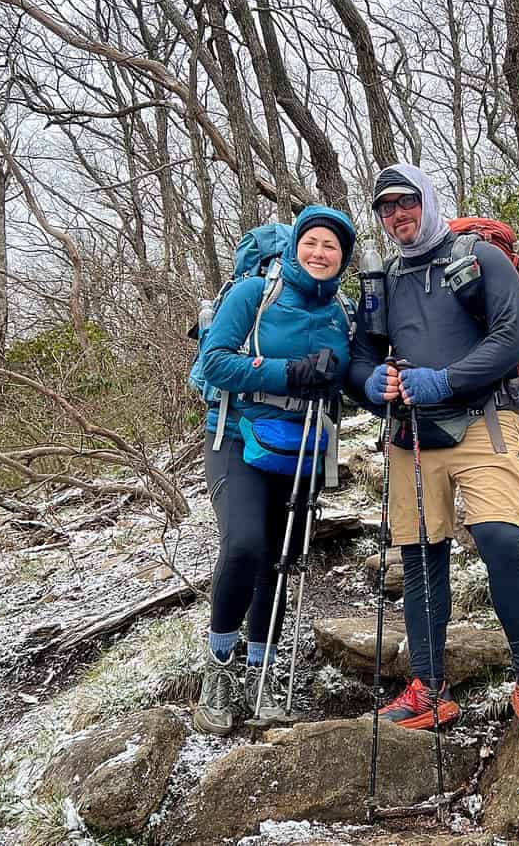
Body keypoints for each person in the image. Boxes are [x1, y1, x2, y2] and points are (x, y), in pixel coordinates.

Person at [347, 164, 519, 760]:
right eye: (386, 208)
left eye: (406, 202)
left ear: (428, 199)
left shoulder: (477, 258)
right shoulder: (384, 280)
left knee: (502, 539)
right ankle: (428, 687)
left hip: (484, 421)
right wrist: (371, 382)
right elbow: (361, 356)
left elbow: (510, 336)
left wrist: (443, 380)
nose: (397, 215)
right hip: (411, 434)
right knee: (421, 556)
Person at [194, 205, 355, 736]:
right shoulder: (251, 296)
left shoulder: (342, 315)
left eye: (331, 246)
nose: (319, 252)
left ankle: (261, 672)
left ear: (343, 258)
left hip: (303, 446)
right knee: (245, 545)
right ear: (294, 247)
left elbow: (353, 376)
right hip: (236, 437)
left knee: (281, 561)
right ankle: (218, 668)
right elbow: (213, 362)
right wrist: (290, 373)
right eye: (311, 241)